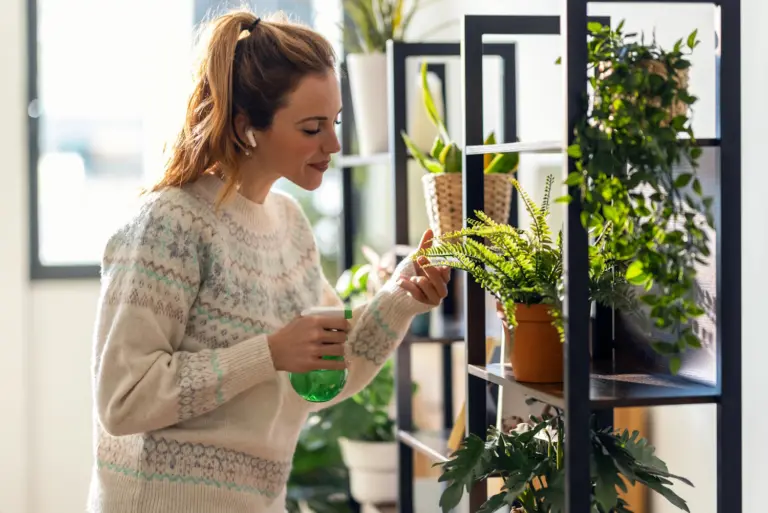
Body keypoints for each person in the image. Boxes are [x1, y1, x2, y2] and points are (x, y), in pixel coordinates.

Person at [87, 8, 450, 513]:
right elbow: (123, 401)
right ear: (246, 126)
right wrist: (267, 354)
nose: (334, 144)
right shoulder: (169, 223)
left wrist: (399, 299)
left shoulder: (290, 226)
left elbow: (329, 369)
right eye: (311, 128)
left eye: (336, 122)